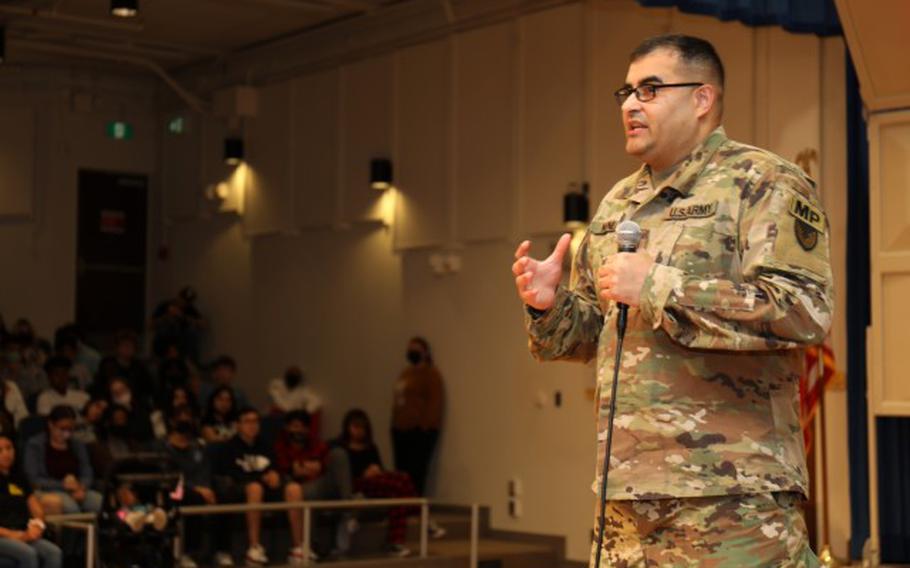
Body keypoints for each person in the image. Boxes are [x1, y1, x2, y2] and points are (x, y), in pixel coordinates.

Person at [512, 34, 834, 566]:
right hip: (626, 499)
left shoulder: (763, 182)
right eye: (627, 91)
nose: (631, 104)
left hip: (731, 497)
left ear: (702, 99)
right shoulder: (619, 201)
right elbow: (595, 333)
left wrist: (660, 286)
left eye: (651, 89)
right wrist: (549, 307)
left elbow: (804, 310)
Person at [214, 407, 308, 566]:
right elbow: (229, 474)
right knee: (255, 488)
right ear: (238, 425)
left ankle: (298, 547)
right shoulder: (228, 447)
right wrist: (260, 477)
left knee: (294, 489)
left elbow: (276, 467)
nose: (252, 425)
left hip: (267, 488)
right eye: (247, 421)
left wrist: (275, 474)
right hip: (240, 490)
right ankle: (254, 548)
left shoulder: (266, 445)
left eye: (256, 421)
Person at [334, 409, 419, 557]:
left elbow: (380, 468)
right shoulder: (341, 448)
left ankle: (395, 542)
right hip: (356, 484)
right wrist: (364, 473)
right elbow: (342, 474)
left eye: (362, 427)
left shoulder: (371, 447)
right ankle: (421, 515)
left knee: (401, 483)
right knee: (399, 487)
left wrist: (376, 470)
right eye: (355, 427)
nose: (358, 431)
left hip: (376, 483)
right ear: (347, 427)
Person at [157, 404, 214, 568]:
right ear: (172, 421)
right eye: (180, 417)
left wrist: (206, 487)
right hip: (171, 490)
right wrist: (195, 488)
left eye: (188, 417)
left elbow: (205, 470)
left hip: (199, 489)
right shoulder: (162, 447)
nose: (185, 420)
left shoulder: (199, 446)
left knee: (221, 495)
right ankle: (185, 553)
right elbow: (166, 474)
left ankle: (220, 552)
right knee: (192, 497)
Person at [23, 405, 102, 515]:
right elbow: (33, 478)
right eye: (62, 429)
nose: (66, 434)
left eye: (70, 429)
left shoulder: (77, 444)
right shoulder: (35, 445)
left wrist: (82, 486)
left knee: (99, 502)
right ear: (51, 425)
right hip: (49, 490)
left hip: (77, 489)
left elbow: (87, 470)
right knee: (71, 508)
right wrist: (63, 485)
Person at [0, 432, 63, 568]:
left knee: (54, 552)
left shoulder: (19, 478)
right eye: (0, 450)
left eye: (9, 448)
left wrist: (37, 525)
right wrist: (14, 535)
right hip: (3, 535)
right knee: (28, 553)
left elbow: (36, 508)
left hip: (23, 531)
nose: (6, 453)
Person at [391, 336, 444, 496]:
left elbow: (435, 403)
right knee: (401, 472)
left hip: (419, 432)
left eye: (415, 349)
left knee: (416, 472)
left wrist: (425, 427)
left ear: (424, 352)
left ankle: (415, 505)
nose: (411, 352)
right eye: (409, 348)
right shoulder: (405, 373)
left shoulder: (430, 374)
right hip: (400, 430)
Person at [94, 330, 155, 407]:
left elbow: (148, 390)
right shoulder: (107, 365)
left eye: (130, 346)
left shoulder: (140, 367)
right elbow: (99, 387)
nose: (127, 349)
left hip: (134, 405)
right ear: (117, 347)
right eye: (124, 345)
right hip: (110, 404)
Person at [267, 367, 323, 435]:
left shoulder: (302, 390)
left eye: (295, 375)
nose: (293, 377)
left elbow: (317, 402)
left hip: (294, 418)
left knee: (298, 425)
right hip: (279, 416)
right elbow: (279, 402)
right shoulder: (277, 385)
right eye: (291, 374)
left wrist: (304, 412)